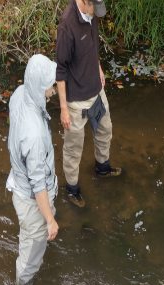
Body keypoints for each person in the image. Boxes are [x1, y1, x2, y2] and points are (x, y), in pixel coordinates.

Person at [55, 0, 121, 208]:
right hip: (76, 101)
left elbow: (92, 46)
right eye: (94, 9)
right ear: (84, 2)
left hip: (96, 90)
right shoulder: (67, 26)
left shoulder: (92, 16)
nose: (97, 15)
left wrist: (98, 67)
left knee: (105, 130)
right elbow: (61, 70)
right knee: (74, 149)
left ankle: (103, 168)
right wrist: (64, 108)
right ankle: (72, 190)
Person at [5, 54, 60, 285]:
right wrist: (50, 220)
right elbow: (38, 185)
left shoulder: (20, 93)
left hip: (18, 181)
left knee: (28, 238)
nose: (54, 89)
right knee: (31, 254)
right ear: (39, 86)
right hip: (31, 199)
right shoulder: (35, 135)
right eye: (50, 85)